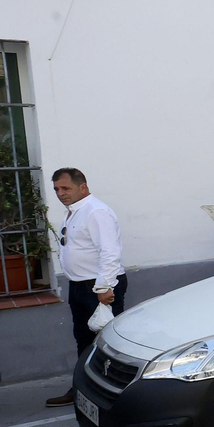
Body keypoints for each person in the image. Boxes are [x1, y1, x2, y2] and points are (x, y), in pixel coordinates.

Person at [46, 168, 125, 408]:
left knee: (108, 342)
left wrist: (103, 287)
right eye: (57, 189)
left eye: (65, 188)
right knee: (84, 339)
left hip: (99, 288)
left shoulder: (95, 212)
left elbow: (110, 253)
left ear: (83, 186)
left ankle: (115, 392)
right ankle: (82, 388)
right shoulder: (74, 212)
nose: (60, 193)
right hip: (80, 285)